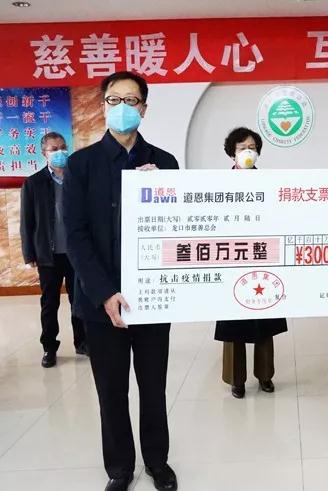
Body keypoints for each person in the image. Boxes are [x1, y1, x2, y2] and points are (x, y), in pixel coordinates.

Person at [63, 71, 179, 491]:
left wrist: (160, 193)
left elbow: (179, 229)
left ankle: (158, 462)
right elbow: (75, 236)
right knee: (111, 391)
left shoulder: (165, 163)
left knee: (153, 388)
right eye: (114, 100)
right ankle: (119, 468)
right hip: (100, 303)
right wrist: (104, 293)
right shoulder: (81, 165)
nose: (123, 108)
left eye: (132, 101)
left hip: (152, 299)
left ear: (144, 109)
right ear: (103, 106)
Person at [215, 127, 288, 398]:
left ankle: (265, 375)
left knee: (263, 318)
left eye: (252, 148)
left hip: (263, 257)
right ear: (231, 153)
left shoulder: (269, 183)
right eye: (242, 148)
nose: (248, 152)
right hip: (231, 259)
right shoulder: (218, 185)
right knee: (233, 321)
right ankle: (236, 379)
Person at [20, 131, 87, 368]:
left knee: (79, 300)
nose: (60, 152)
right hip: (48, 255)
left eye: (62, 147)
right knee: (50, 303)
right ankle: (49, 347)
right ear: (44, 153)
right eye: (54, 149)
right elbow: (27, 221)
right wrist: (29, 253)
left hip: (75, 253)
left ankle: (82, 342)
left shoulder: (77, 178)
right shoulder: (33, 183)